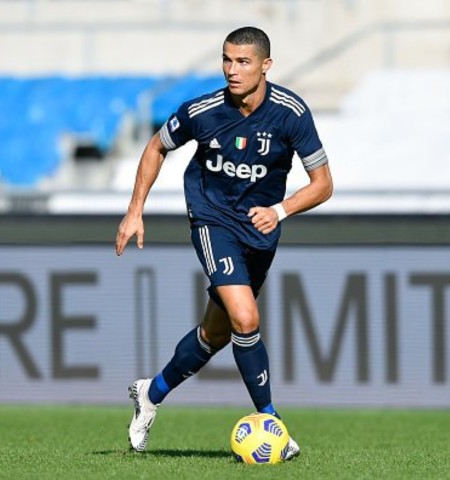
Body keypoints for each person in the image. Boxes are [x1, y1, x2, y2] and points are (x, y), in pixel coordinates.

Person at [115, 26, 334, 459]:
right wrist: (135, 209)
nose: (232, 71)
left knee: (214, 334)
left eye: (244, 62)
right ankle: (272, 424)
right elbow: (157, 146)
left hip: (261, 230)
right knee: (245, 317)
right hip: (213, 219)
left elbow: (323, 184)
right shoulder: (204, 109)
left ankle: (151, 393)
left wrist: (281, 211)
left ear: (266, 66)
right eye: (227, 60)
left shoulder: (291, 113)